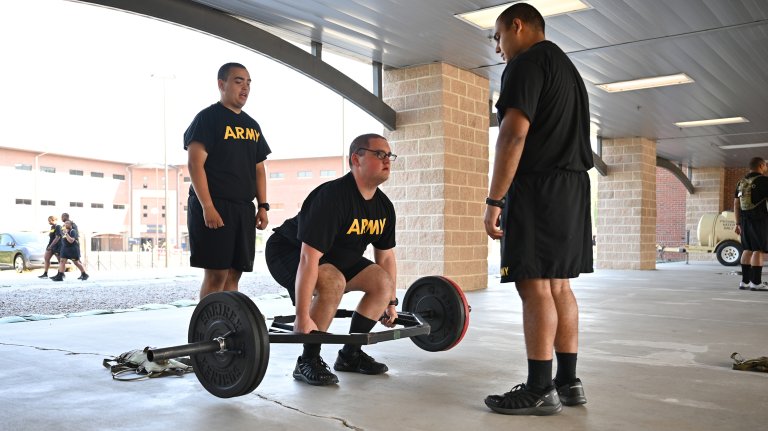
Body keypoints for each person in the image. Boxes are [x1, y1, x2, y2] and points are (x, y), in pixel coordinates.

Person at [482, 3, 593, 416]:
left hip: (540, 187)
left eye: (497, 37)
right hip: (572, 187)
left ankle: (539, 387)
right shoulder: (566, 68)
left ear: (517, 26)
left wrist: (494, 200)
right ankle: (568, 381)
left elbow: (513, 135)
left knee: (533, 286)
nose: (498, 48)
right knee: (559, 286)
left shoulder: (527, 63)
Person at [265, 133, 398, 386]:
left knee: (382, 281)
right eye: (379, 154)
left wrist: (391, 302)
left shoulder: (384, 207)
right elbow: (307, 258)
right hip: (288, 251)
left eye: (389, 155)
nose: (387, 160)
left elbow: (386, 257)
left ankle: (351, 354)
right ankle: (307, 361)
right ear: (356, 159)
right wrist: (302, 315)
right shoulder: (332, 197)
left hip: (335, 258)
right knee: (332, 281)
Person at [184, 62, 271, 299]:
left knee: (234, 274)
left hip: (243, 208)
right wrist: (208, 207)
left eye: (248, 82)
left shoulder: (252, 125)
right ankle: (206, 331)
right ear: (221, 85)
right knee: (216, 276)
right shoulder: (207, 119)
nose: (245, 87)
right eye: (238, 81)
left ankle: (229, 330)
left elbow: (259, 169)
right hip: (215, 206)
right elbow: (195, 164)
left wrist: (262, 206)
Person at [733, 157, 768, 291]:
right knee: (758, 250)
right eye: (765, 166)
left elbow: (736, 204)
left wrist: (737, 223)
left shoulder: (741, 182)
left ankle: (745, 282)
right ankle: (756, 283)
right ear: (761, 165)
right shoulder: (765, 181)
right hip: (760, 220)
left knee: (747, 249)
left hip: (744, 220)